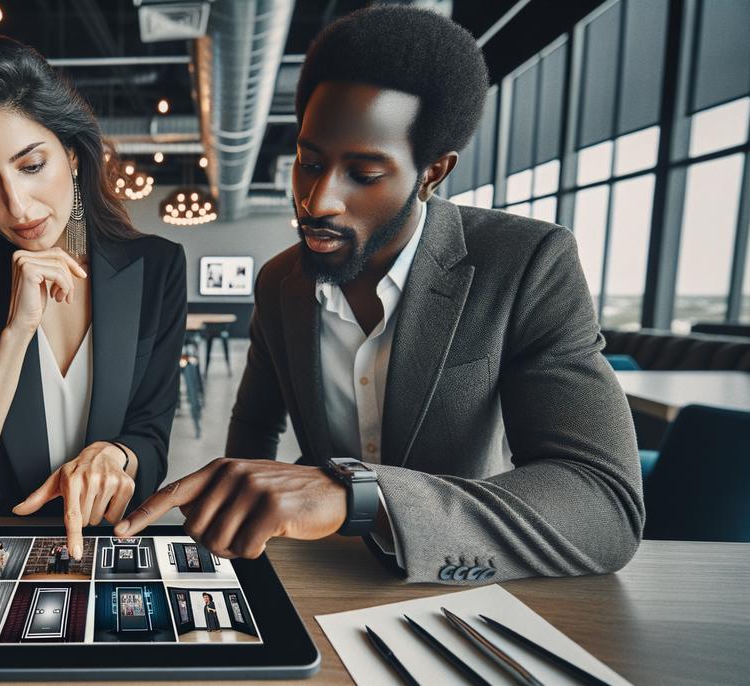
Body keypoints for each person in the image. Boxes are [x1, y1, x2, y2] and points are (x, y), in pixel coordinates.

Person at [117, 6, 643, 585]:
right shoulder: (278, 282)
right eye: (309, 162)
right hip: (322, 572)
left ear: (432, 173)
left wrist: (360, 496)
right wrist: (235, 521)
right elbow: (254, 426)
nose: (317, 201)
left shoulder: (526, 262)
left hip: (466, 580)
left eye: (363, 174)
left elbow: (604, 505)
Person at [0, 36, 187, 560]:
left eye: (31, 166)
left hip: (104, 550)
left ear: (71, 153)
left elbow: (151, 435)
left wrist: (114, 455)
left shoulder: (156, 267)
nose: (18, 206)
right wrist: (16, 333)